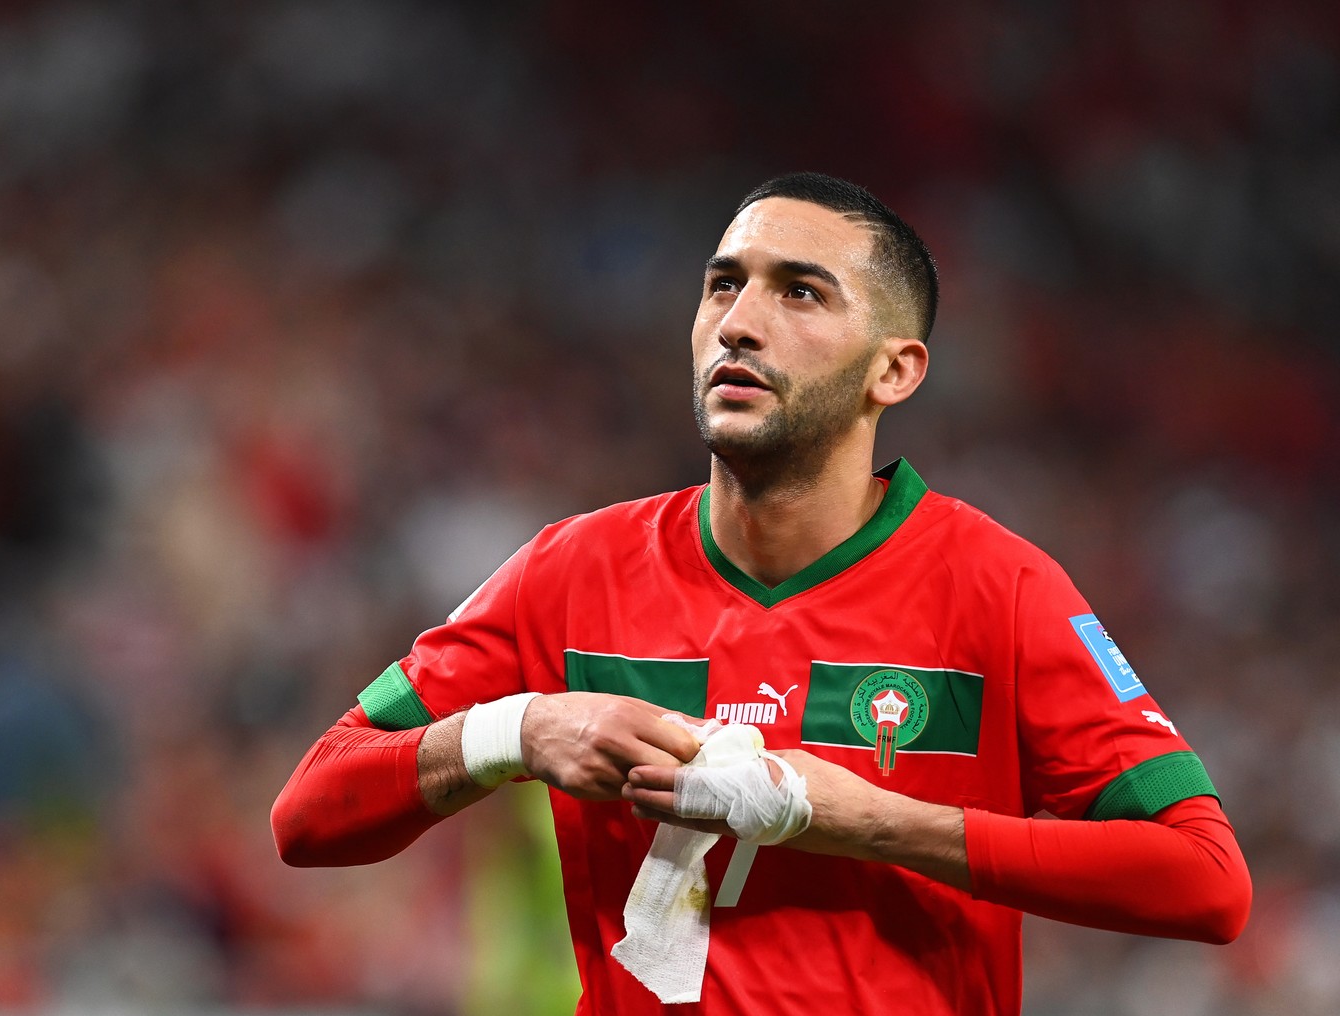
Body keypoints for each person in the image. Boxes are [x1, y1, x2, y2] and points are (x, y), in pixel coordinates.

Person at [271, 173, 1251, 1015]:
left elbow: (1207, 880)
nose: (739, 320)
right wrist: (517, 731)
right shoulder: (568, 571)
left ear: (894, 368)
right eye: (724, 285)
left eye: (802, 293)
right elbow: (310, 811)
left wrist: (865, 818)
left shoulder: (998, 586)